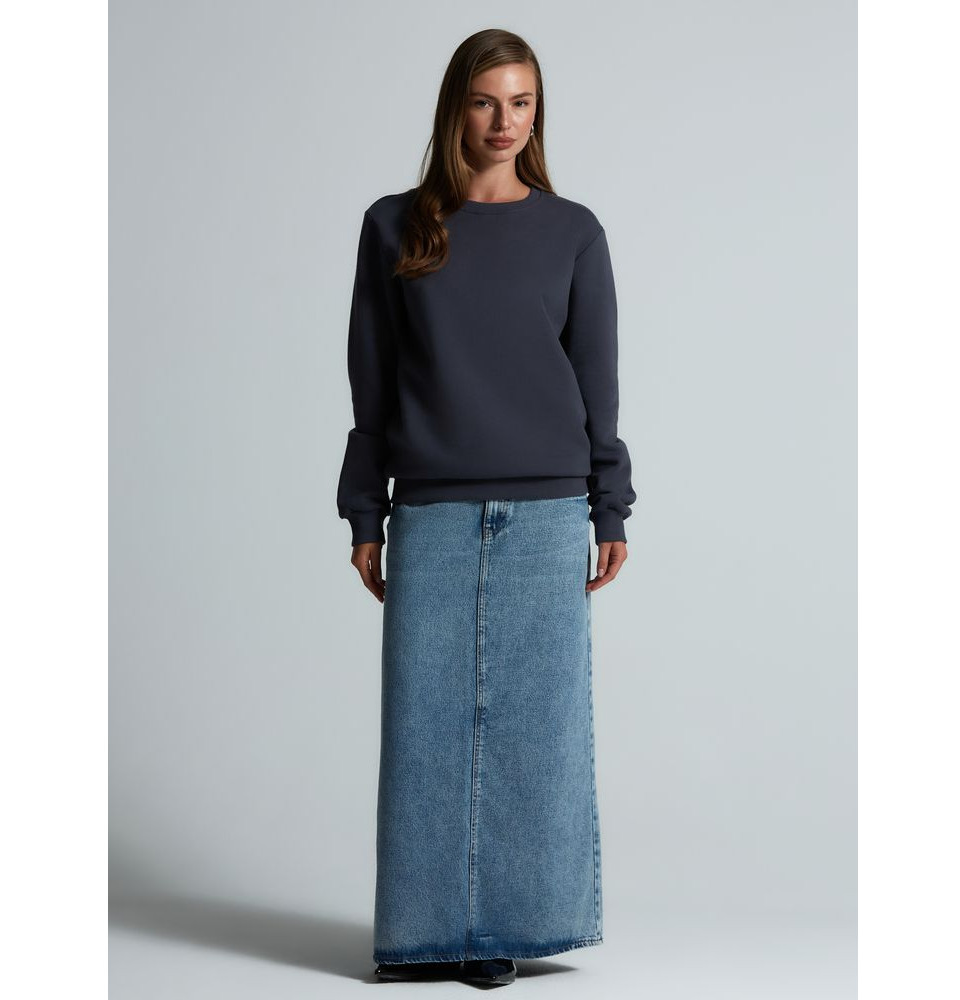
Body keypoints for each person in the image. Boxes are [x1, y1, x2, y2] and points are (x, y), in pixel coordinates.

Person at [336, 27, 636, 988]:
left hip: (547, 515)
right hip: (430, 512)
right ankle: (425, 935)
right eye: (485, 101)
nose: (505, 122)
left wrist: (611, 507)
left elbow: (596, 382)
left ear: (538, 113)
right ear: (454, 108)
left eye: (523, 103)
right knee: (423, 729)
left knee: (534, 736)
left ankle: (500, 929)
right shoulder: (394, 225)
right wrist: (365, 514)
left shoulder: (573, 231)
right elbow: (372, 383)